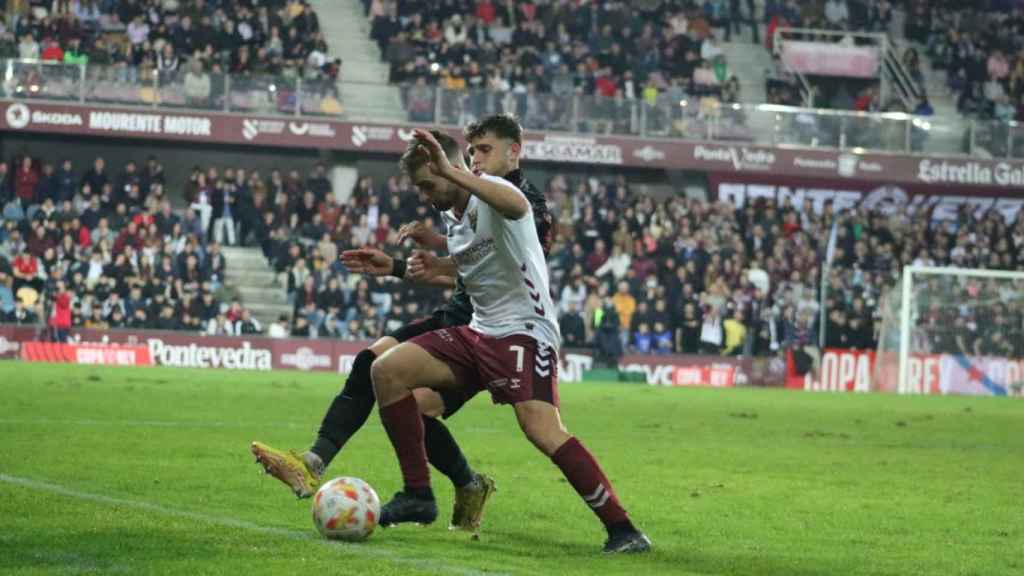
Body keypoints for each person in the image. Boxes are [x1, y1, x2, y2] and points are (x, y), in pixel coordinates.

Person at [251, 114, 553, 535]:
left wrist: (431, 255)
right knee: (388, 383)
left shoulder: (519, 199)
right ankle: (461, 484)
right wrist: (397, 266)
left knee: (388, 379)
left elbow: (505, 260)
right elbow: (465, 265)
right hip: (460, 314)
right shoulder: (461, 206)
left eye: (485, 150)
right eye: (474, 151)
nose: (476, 159)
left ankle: (343, 471)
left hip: (487, 328)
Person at [369, 128, 650, 553]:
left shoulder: (493, 190)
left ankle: (624, 530)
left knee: (541, 430)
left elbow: (517, 205)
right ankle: (418, 495)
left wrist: (454, 172)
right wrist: (416, 266)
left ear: (453, 168)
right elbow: (471, 267)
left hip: (524, 331)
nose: (426, 195)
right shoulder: (453, 214)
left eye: (430, 183)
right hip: (479, 331)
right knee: (388, 373)